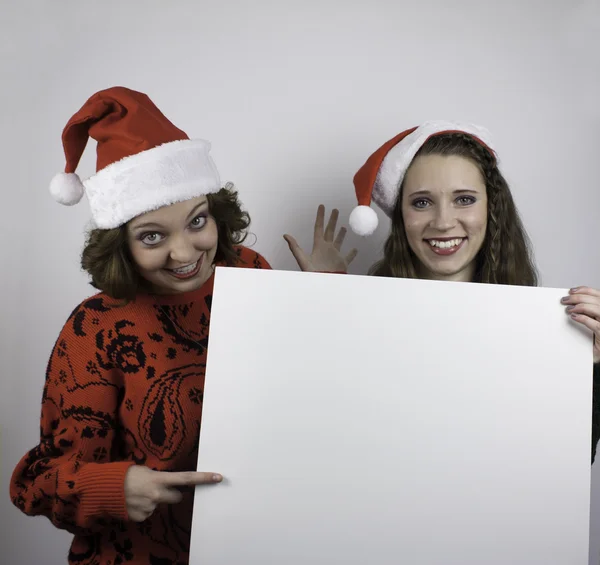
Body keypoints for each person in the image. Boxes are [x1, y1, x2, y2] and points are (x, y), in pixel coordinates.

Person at [9, 87, 270, 565]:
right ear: (120, 245)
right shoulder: (95, 330)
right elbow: (36, 484)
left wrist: (322, 289)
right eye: (153, 235)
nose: (185, 253)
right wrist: (114, 486)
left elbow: (292, 382)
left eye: (197, 221)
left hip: (249, 544)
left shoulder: (249, 270)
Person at [284, 120, 600, 462]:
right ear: (401, 216)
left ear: (491, 208)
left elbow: (569, 462)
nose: (443, 222)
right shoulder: (362, 318)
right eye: (422, 203)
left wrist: (590, 364)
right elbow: (323, 438)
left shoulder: (539, 329)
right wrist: (319, 304)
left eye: (464, 199)